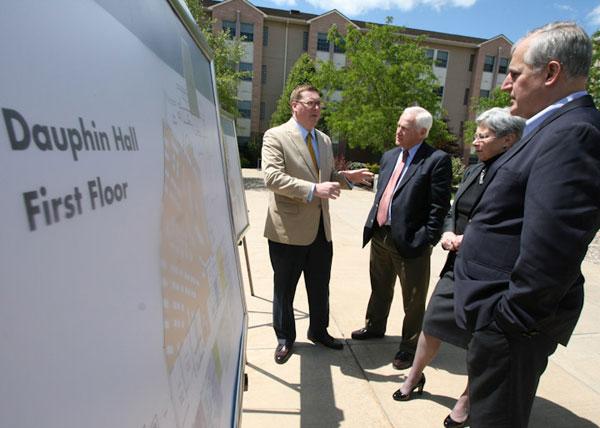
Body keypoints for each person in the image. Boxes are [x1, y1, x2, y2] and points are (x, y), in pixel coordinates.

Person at [453, 22, 600, 427]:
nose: (505, 85)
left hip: (510, 328)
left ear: (551, 73)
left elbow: (554, 248)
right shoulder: (548, 128)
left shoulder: (574, 132)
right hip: (499, 318)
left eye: (515, 73)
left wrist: (506, 323)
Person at [392, 108, 526, 428]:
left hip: (490, 271)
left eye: (483, 136)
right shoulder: (473, 170)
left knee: (480, 340)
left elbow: (514, 225)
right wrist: (448, 232)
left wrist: (473, 239)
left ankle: (466, 399)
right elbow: (454, 209)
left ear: (508, 140)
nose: (475, 142)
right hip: (457, 263)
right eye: (475, 135)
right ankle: (414, 376)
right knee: (433, 322)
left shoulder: (518, 175)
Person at [262, 84, 373, 365]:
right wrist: (313, 189)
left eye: (319, 104)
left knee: (320, 285)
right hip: (287, 230)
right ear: (294, 105)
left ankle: (319, 331)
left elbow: (327, 175)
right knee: (285, 289)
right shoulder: (275, 136)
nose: (316, 108)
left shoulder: (323, 139)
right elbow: (272, 177)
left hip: (321, 229)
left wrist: (347, 178)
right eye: (310, 103)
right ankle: (285, 338)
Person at [351, 106, 452, 370]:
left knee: (414, 299)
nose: (398, 131)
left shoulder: (436, 160)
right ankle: (375, 326)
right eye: (398, 125)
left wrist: (426, 239)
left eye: (404, 128)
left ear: (422, 132)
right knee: (380, 287)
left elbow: (439, 206)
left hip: (411, 242)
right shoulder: (389, 156)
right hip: (380, 235)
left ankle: (409, 347)